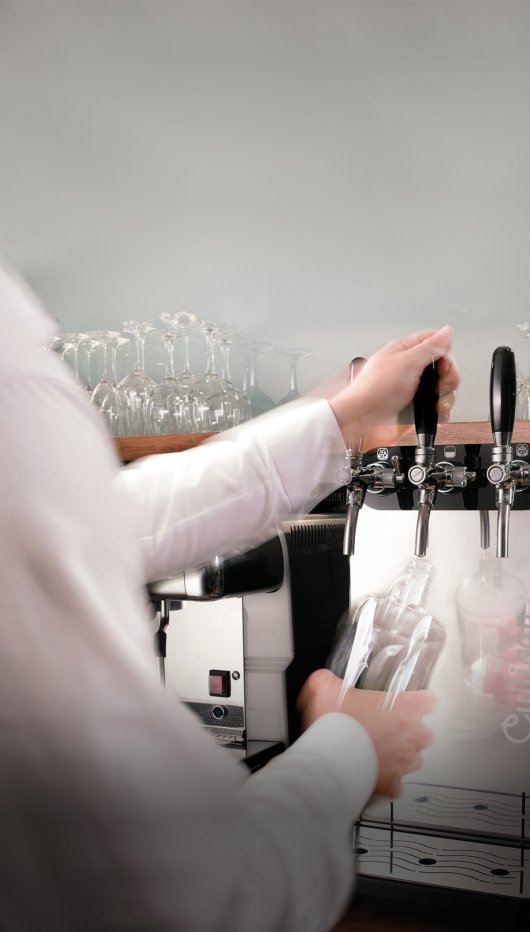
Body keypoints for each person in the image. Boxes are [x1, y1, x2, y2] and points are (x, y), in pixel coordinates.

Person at [0, 257, 460, 932]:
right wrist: (350, 749)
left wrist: (342, 423)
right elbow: (190, 900)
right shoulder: (14, 381)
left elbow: (95, 522)